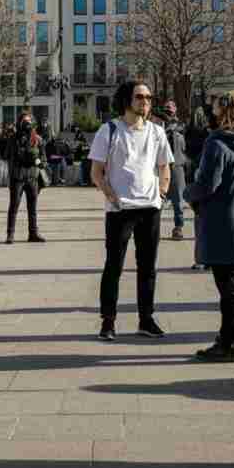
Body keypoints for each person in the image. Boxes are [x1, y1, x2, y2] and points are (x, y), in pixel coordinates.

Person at [90, 80, 174, 341]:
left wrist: (161, 192)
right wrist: (111, 196)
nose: (145, 101)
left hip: (150, 208)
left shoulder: (157, 132)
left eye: (149, 97)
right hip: (120, 210)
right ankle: (108, 322)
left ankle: (146, 319)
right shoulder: (110, 130)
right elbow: (96, 171)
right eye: (140, 96)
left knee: (148, 267)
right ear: (128, 100)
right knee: (113, 266)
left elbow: (165, 166)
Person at [186, 91, 234, 362]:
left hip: (221, 219)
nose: (212, 112)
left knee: (228, 283)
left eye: (216, 108)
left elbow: (208, 184)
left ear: (227, 111)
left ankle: (229, 343)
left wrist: (188, 193)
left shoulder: (217, 143)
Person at [6, 111, 46, 244]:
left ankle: (33, 233)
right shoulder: (13, 138)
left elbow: (43, 161)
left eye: (29, 122)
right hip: (18, 178)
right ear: (19, 123)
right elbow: (9, 155)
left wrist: (37, 162)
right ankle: (10, 234)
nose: (27, 124)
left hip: (32, 178)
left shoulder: (38, 139)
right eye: (24, 122)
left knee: (32, 208)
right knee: (14, 206)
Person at [160, 101, 190, 241]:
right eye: (166, 111)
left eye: (170, 111)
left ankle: (178, 228)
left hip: (177, 166)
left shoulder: (182, 126)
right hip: (161, 167)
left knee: (178, 201)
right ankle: (153, 228)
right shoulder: (158, 126)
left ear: (175, 111)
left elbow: (188, 147)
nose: (169, 113)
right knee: (158, 200)